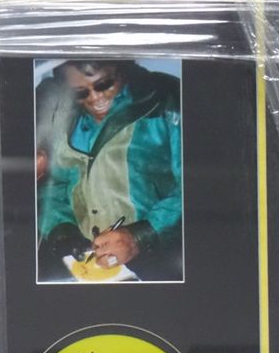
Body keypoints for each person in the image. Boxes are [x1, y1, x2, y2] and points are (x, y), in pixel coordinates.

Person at [36, 59, 183, 281]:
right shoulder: (61, 115)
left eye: (104, 84)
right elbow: (53, 187)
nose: (95, 98)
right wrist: (63, 231)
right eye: (80, 93)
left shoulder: (164, 98)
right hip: (88, 263)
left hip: (158, 255)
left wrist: (140, 236)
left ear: (121, 68)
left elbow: (194, 186)